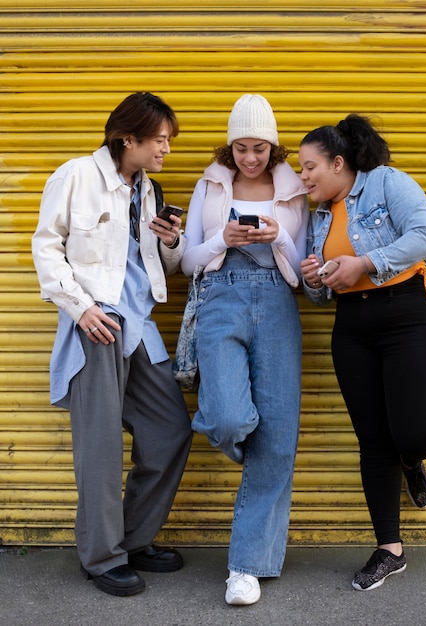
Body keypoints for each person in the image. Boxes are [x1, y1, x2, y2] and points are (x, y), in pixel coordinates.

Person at [31, 92, 193, 597]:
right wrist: (81, 309)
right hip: (97, 325)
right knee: (99, 449)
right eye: (160, 139)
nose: (166, 148)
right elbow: (47, 248)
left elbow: (154, 268)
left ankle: (130, 538)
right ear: (129, 137)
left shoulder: (149, 189)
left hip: (140, 327)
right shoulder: (76, 176)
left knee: (170, 432)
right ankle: (102, 558)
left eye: (168, 139)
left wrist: (171, 242)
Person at [298, 114, 426, 591]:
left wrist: (365, 262)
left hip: (409, 316)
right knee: (373, 440)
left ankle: (412, 459)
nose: (302, 178)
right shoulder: (318, 215)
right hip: (353, 328)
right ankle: (390, 548)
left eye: (308, 167)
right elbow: (320, 295)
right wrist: (313, 278)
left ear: (338, 162)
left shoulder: (387, 183)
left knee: (417, 432)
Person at [181, 94, 309, 605]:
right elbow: (187, 260)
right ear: (229, 145)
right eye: (240, 148)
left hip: (278, 302)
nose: (249, 158)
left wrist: (278, 238)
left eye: (259, 148)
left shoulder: (294, 190)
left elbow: (303, 273)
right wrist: (222, 241)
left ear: (273, 147)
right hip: (219, 297)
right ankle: (243, 442)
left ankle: (246, 568)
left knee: (278, 437)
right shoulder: (210, 183)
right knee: (231, 419)